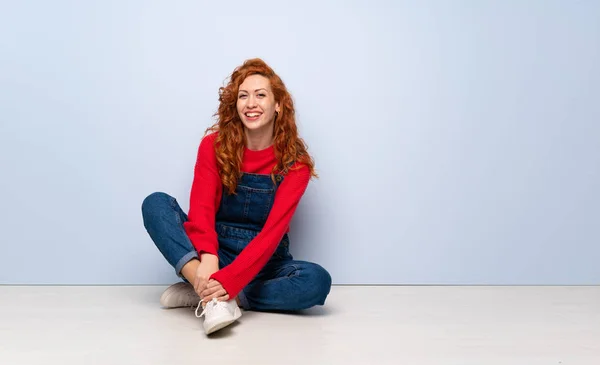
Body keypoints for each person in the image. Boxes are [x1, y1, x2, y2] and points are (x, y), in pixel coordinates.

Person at [141, 58, 332, 335]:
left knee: (317, 281)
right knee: (155, 204)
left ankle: (212, 295)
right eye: (243, 96)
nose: (251, 103)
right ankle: (204, 285)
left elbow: (271, 235)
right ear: (235, 105)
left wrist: (230, 281)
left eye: (260, 95)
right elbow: (202, 210)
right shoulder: (213, 146)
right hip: (216, 250)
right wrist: (208, 260)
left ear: (278, 105)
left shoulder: (295, 164)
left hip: (265, 261)